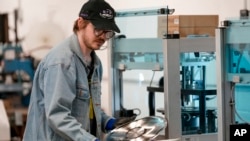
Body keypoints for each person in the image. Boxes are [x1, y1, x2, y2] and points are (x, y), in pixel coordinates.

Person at [23, 0, 125, 140]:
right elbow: (58, 116)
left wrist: (109, 122)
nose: (103, 36)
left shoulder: (95, 64)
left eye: (108, 32)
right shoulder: (61, 62)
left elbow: (87, 109)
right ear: (81, 23)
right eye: (98, 29)